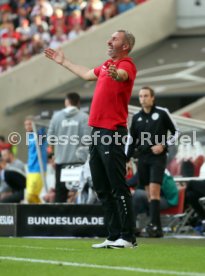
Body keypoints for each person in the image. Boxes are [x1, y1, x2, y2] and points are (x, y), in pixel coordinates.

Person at [44, 30, 137, 248]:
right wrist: (64, 61)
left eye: (114, 39)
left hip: (111, 132)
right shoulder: (106, 65)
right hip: (96, 132)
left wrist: (116, 75)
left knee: (117, 186)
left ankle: (129, 237)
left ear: (125, 46)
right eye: (110, 37)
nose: (108, 40)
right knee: (101, 187)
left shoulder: (126, 64)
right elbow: (87, 74)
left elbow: (123, 75)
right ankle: (114, 236)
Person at [127, 86, 178, 237]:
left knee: (155, 192)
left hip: (158, 158)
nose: (143, 99)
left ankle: (156, 227)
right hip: (142, 159)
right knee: (149, 194)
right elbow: (131, 140)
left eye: (146, 96)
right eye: (141, 96)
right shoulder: (136, 118)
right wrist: (126, 159)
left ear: (152, 97)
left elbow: (177, 132)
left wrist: (164, 145)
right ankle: (153, 225)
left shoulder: (162, 113)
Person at [47, 92, 90, 203]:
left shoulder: (56, 117)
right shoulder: (84, 118)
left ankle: (58, 219)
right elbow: (88, 140)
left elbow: (50, 139)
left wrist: (53, 155)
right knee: (80, 194)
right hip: (79, 164)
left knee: (60, 195)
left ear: (67, 102)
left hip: (61, 163)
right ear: (78, 103)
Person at [127, 169, 179, 234]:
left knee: (137, 194)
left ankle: (129, 227)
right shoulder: (157, 165)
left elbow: (132, 182)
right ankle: (131, 227)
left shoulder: (147, 167)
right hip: (166, 198)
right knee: (136, 196)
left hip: (167, 200)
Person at [24, 115, 47, 203]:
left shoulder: (40, 134)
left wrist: (38, 122)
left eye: (29, 124)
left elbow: (43, 129)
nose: (27, 127)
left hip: (39, 169)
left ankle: (40, 212)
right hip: (30, 169)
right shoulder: (28, 136)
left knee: (30, 196)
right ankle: (39, 214)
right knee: (30, 197)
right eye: (26, 125)